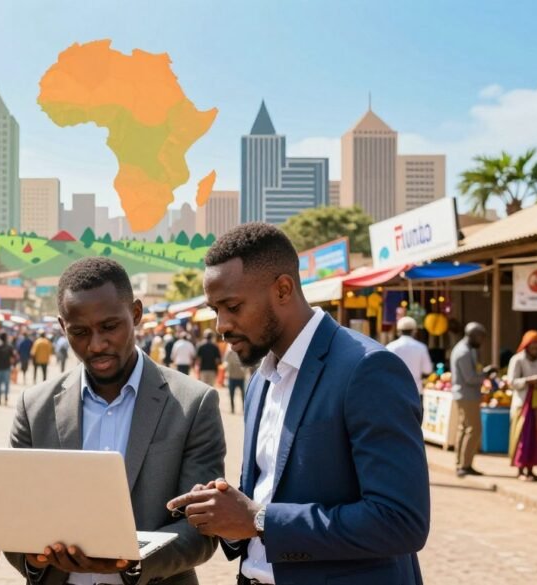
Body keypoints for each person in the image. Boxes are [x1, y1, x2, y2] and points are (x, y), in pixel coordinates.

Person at [169, 222, 429, 585]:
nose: (221, 325)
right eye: (215, 309)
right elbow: (267, 501)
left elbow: (400, 521)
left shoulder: (366, 369)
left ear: (283, 289)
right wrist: (227, 516)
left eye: (232, 306)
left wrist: (259, 519)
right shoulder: (261, 379)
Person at [8, 257, 226, 585]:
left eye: (110, 327)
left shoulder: (193, 404)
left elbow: (202, 529)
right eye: (80, 332)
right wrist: (32, 556)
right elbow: (13, 516)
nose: (96, 345)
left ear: (136, 313)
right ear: (62, 326)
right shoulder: (33, 407)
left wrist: (131, 562)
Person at [508, 330, 537, 482]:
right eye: (533, 346)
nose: (536, 350)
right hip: (522, 404)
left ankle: (531, 469)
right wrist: (530, 380)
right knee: (522, 437)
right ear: (527, 346)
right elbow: (512, 382)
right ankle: (520, 469)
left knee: (535, 438)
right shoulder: (517, 360)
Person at [449, 322, 493, 477]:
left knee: (464, 428)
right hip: (467, 395)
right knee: (474, 429)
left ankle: (461, 463)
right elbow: (470, 378)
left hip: (465, 395)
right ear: (473, 335)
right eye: (480, 337)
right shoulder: (464, 352)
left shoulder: (468, 350)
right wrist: (486, 374)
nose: (482, 341)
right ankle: (465, 465)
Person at [386, 317, 433, 395]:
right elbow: (427, 370)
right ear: (414, 331)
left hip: (395, 390)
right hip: (415, 391)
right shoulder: (421, 347)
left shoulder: (390, 347)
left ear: (399, 331)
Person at [0, 332, 16, 406]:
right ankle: (5, 397)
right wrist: (13, 365)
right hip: (6, 368)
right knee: (6, 384)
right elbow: (13, 357)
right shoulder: (9, 347)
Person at [223, 345, 247, 414]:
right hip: (233, 377)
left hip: (240, 377)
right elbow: (225, 362)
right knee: (232, 394)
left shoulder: (243, 353)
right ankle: (233, 408)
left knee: (242, 395)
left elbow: (246, 365)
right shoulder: (230, 353)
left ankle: (243, 408)